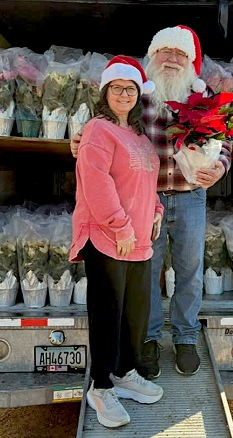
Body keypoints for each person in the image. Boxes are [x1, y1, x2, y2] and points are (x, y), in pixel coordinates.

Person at [71, 26, 231, 380]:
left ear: (191, 61)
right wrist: (79, 142)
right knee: (147, 274)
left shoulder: (202, 99)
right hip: (144, 201)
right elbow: (101, 131)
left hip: (190, 197)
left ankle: (186, 337)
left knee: (189, 270)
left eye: (180, 54)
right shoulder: (136, 97)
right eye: (165, 52)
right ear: (152, 56)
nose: (172, 59)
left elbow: (225, 143)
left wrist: (219, 167)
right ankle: (149, 338)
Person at [69, 55, 164, 428]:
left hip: (139, 241)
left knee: (135, 313)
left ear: (139, 96)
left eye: (131, 89)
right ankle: (101, 385)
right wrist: (120, 227)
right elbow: (96, 182)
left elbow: (147, 182)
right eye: (117, 88)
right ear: (105, 92)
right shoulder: (97, 130)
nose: (124, 94)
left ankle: (125, 372)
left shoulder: (139, 136)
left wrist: (155, 210)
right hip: (109, 237)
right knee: (108, 314)